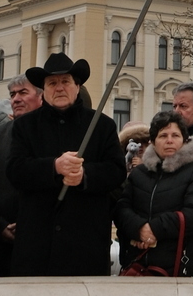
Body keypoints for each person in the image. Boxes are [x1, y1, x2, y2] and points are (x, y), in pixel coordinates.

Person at [7, 53, 128, 276]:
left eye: (65, 81)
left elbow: (116, 171)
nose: (59, 88)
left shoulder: (102, 125)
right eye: (52, 83)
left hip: (85, 246)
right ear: (44, 89)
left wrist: (85, 176)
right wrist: (54, 167)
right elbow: (16, 170)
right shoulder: (25, 126)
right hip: (38, 247)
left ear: (77, 85)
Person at [115, 110, 193, 276]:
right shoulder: (139, 173)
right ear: (153, 141)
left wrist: (153, 230)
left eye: (175, 135)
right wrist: (139, 230)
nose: (169, 141)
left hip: (180, 267)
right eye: (163, 135)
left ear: (184, 140)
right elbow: (122, 208)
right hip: (138, 265)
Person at [0, 76, 40, 275]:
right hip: (2, 244)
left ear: (41, 97)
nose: (15, 99)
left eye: (23, 92)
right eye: (12, 94)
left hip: (42, 240)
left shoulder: (50, 134)